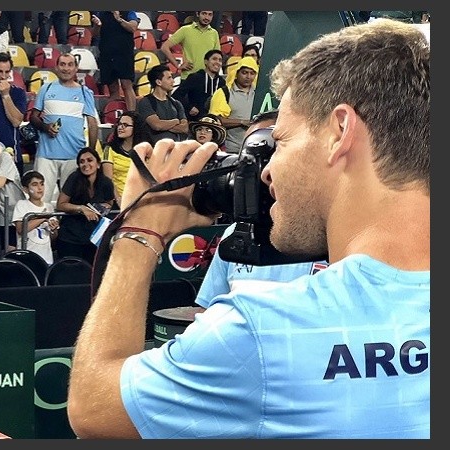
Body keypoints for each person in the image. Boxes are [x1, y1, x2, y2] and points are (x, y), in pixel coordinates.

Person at [67, 18, 429, 438]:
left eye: (282, 141)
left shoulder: (265, 330)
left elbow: (94, 407)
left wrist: (139, 233)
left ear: (340, 132)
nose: (268, 170)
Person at [194, 110, 328, 313]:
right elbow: (208, 309)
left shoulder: (329, 234)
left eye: (264, 153)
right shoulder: (235, 234)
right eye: (246, 155)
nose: (257, 171)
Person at [28, 52, 99, 204]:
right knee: (41, 199)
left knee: (70, 201)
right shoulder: (46, 89)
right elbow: (33, 117)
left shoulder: (84, 92)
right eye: (62, 64)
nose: (66, 69)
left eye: (70, 65)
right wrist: (46, 127)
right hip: (46, 155)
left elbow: (92, 123)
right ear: (56, 67)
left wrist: (90, 151)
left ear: (76, 68)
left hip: (74, 155)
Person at [54, 148, 115, 265]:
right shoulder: (74, 178)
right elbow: (60, 205)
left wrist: (102, 208)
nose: (85, 164)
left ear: (98, 164)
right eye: (82, 162)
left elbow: (109, 203)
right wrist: (81, 208)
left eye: (89, 160)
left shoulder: (106, 182)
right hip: (70, 238)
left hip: (94, 239)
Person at [91, 11, 139, 112]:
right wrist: (97, 25)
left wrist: (120, 20)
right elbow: (95, 35)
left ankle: (132, 115)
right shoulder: (101, 13)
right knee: (112, 88)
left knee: (126, 84)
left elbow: (133, 28)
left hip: (124, 53)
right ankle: (112, 115)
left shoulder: (128, 12)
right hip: (107, 53)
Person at [208, 56, 258, 153]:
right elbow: (215, 120)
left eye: (252, 73)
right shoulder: (223, 92)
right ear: (237, 73)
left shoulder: (259, 94)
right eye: (244, 73)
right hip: (230, 150)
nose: (248, 77)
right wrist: (241, 122)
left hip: (254, 150)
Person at [101, 110, 147, 207]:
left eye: (125, 125)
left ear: (136, 128)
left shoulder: (144, 150)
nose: (120, 127)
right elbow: (108, 180)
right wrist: (118, 199)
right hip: (117, 200)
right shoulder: (109, 149)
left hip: (139, 199)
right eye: (119, 124)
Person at [12, 170, 58, 265]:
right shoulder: (22, 205)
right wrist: (43, 218)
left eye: (42, 184)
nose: (39, 188)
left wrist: (54, 229)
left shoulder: (49, 207)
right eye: (35, 184)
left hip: (46, 258)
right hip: (27, 258)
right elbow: (21, 229)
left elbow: (53, 237)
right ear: (25, 189)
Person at [136, 64, 189, 146]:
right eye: (169, 78)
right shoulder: (146, 102)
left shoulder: (176, 103)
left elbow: (185, 128)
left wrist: (164, 125)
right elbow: (157, 125)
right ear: (158, 82)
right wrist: (175, 121)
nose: (173, 81)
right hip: (154, 149)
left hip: (174, 149)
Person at [159, 11, 220, 80]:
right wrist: (178, 65)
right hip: (188, 78)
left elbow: (217, 56)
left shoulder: (214, 33)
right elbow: (164, 47)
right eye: (204, 14)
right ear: (197, 14)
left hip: (207, 79)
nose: (207, 17)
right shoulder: (185, 30)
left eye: (210, 15)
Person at [171, 49, 226, 122]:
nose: (217, 62)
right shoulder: (195, 77)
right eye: (214, 59)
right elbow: (176, 95)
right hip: (195, 121)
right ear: (206, 62)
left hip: (214, 122)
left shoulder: (222, 82)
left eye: (220, 60)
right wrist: (189, 107)